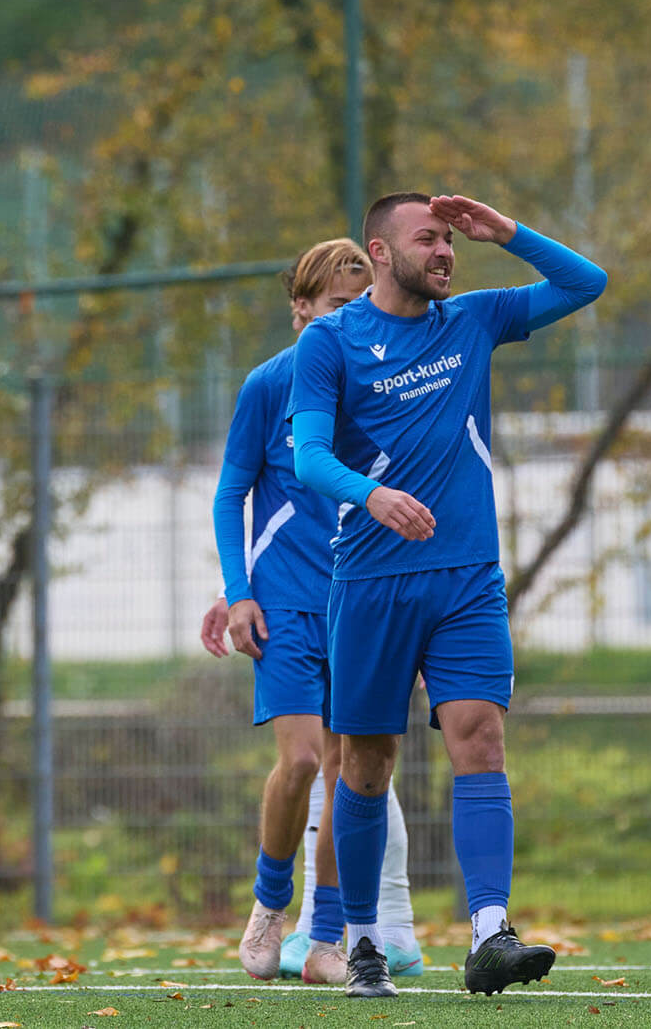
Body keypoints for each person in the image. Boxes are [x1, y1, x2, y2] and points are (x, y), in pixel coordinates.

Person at [288, 192, 606, 997]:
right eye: (426, 239)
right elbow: (309, 459)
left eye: (449, 240)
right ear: (381, 252)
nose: (445, 252)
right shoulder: (329, 342)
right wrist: (371, 494)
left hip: (467, 578)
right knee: (365, 765)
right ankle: (361, 940)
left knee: (481, 738)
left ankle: (490, 931)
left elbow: (585, 282)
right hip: (369, 582)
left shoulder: (471, 320)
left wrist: (507, 231)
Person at [200, 240, 420, 984]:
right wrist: (237, 591)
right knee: (299, 761)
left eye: (359, 306)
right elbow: (233, 493)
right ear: (301, 308)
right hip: (284, 605)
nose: (348, 319)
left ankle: (325, 936)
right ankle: (269, 903)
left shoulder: (377, 382)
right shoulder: (268, 385)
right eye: (333, 306)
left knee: (343, 769)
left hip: (357, 603)